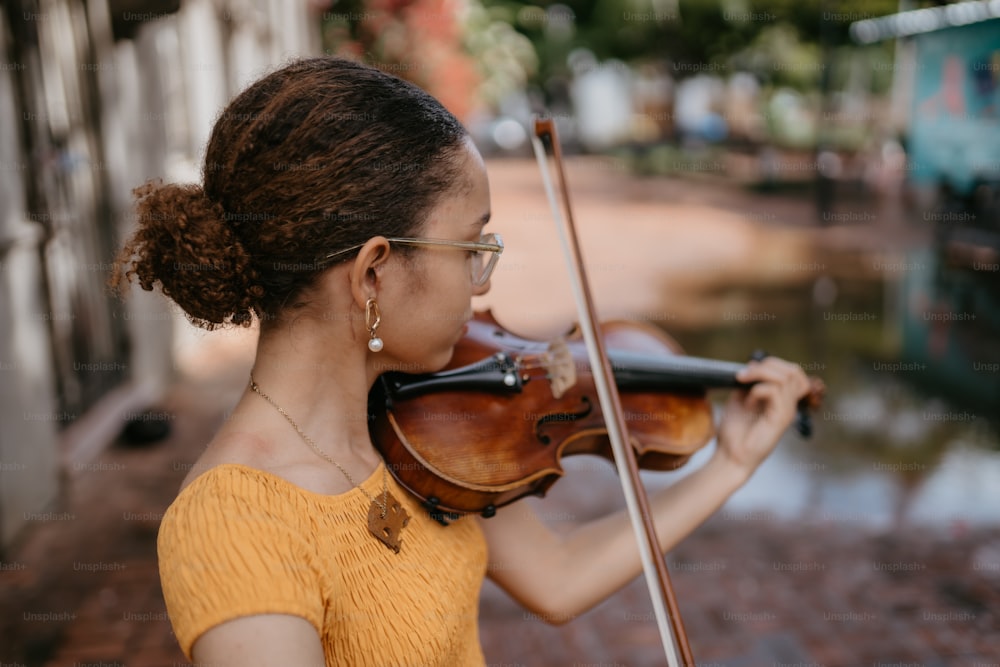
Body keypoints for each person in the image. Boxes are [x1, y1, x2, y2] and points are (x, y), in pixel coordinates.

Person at [112, 56, 810, 667]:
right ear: (374, 274)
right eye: (472, 248)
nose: (484, 281)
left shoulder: (421, 426)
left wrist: (731, 461)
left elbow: (557, 573)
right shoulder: (235, 525)